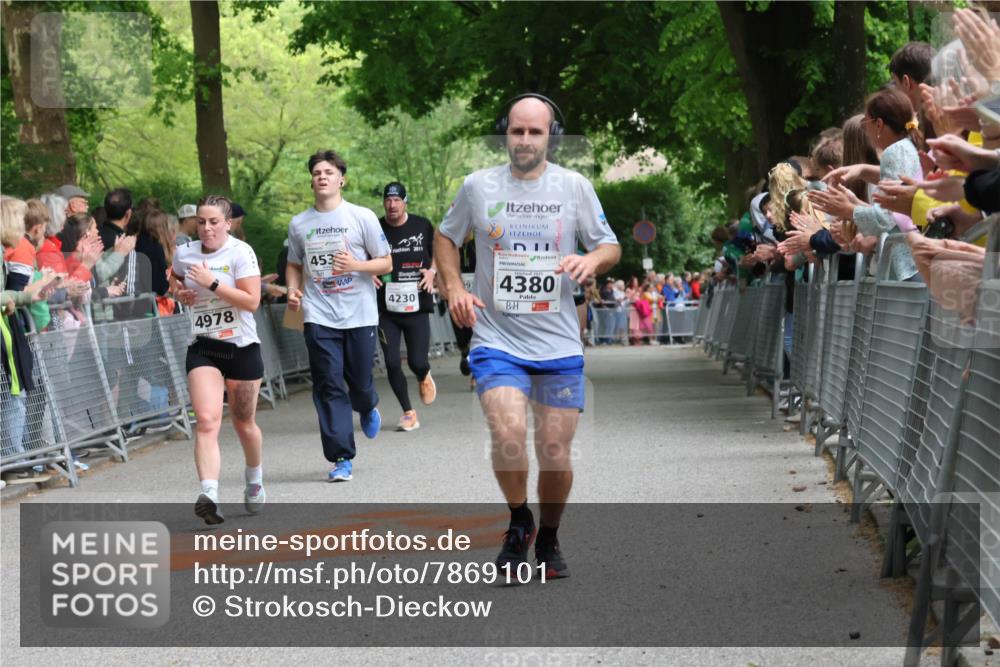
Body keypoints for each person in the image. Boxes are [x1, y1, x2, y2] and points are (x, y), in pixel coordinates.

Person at [435, 93, 620, 579]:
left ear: (550, 136)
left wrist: (590, 260)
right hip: (496, 338)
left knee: (555, 452)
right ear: (505, 132)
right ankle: (519, 520)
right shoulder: (478, 187)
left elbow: (610, 244)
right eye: (516, 131)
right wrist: (455, 286)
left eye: (534, 132)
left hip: (558, 343)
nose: (524, 140)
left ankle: (551, 536)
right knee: (508, 433)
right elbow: (446, 237)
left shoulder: (574, 187)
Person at [285, 150, 392, 482]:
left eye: (328, 171)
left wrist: (356, 266)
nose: (322, 176)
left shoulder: (361, 217)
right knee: (329, 384)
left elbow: (386, 262)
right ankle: (341, 457)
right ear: (311, 180)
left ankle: (368, 404)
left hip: (359, 313)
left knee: (359, 382)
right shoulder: (299, 223)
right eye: (316, 172)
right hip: (319, 314)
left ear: (341, 179)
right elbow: (294, 263)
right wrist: (292, 289)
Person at [170, 195, 265, 525]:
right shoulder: (186, 252)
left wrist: (212, 283)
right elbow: (175, 276)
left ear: (228, 223)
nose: (207, 228)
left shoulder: (241, 253)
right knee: (207, 421)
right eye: (201, 221)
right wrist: (179, 292)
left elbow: (252, 301)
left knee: (244, 423)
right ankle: (209, 495)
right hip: (204, 347)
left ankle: (254, 479)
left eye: (214, 222)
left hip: (241, 346)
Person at [373, 182, 438, 432]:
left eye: (397, 200)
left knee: (417, 361)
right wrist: (369, 274)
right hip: (386, 307)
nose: (392, 205)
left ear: (405, 201)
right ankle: (408, 412)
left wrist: (432, 273)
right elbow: (363, 257)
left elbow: (440, 256)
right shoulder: (376, 227)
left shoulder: (422, 225)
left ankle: (423, 374)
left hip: (417, 303)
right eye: (388, 201)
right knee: (390, 361)